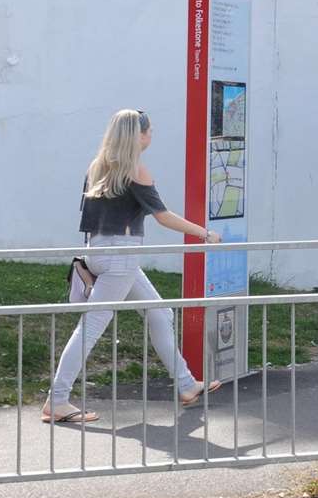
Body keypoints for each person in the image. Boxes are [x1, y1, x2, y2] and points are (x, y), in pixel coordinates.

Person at [44, 109, 223, 423]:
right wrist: (203, 233)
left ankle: (185, 384)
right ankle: (57, 400)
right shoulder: (137, 171)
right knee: (91, 327)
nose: (151, 135)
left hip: (99, 252)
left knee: (160, 312)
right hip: (120, 256)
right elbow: (163, 216)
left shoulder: (97, 167)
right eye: (149, 130)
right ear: (137, 135)